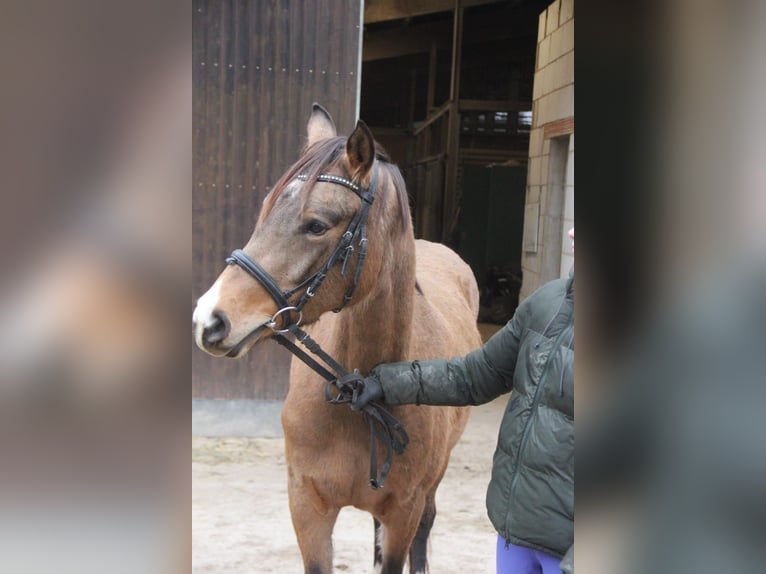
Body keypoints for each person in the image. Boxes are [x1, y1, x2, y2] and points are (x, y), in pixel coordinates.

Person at [351, 228, 575, 574]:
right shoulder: (549, 303)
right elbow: (476, 374)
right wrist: (386, 382)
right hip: (517, 533)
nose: (573, 231)